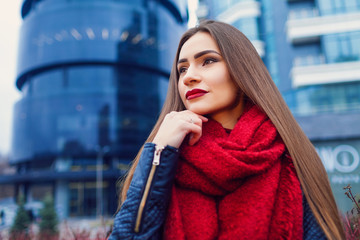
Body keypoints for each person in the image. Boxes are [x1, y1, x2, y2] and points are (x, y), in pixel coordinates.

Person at [108, 20, 345, 240]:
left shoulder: (290, 157)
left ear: (241, 69)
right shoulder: (166, 157)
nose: (189, 76)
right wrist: (159, 151)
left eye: (208, 61)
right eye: (182, 69)